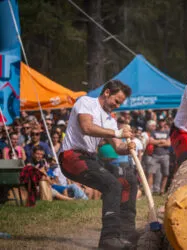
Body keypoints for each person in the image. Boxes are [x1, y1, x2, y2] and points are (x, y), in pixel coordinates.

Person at [58, 80, 137, 249]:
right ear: (107, 92)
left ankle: (127, 233)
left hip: (90, 158)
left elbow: (118, 147)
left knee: (127, 179)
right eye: (116, 101)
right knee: (112, 185)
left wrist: (129, 147)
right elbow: (86, 127)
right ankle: (109, 239)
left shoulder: (109, 119)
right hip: (71, 157)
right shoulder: (86, 102)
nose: (117, 105)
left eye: (120, 103)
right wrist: (117, 132)